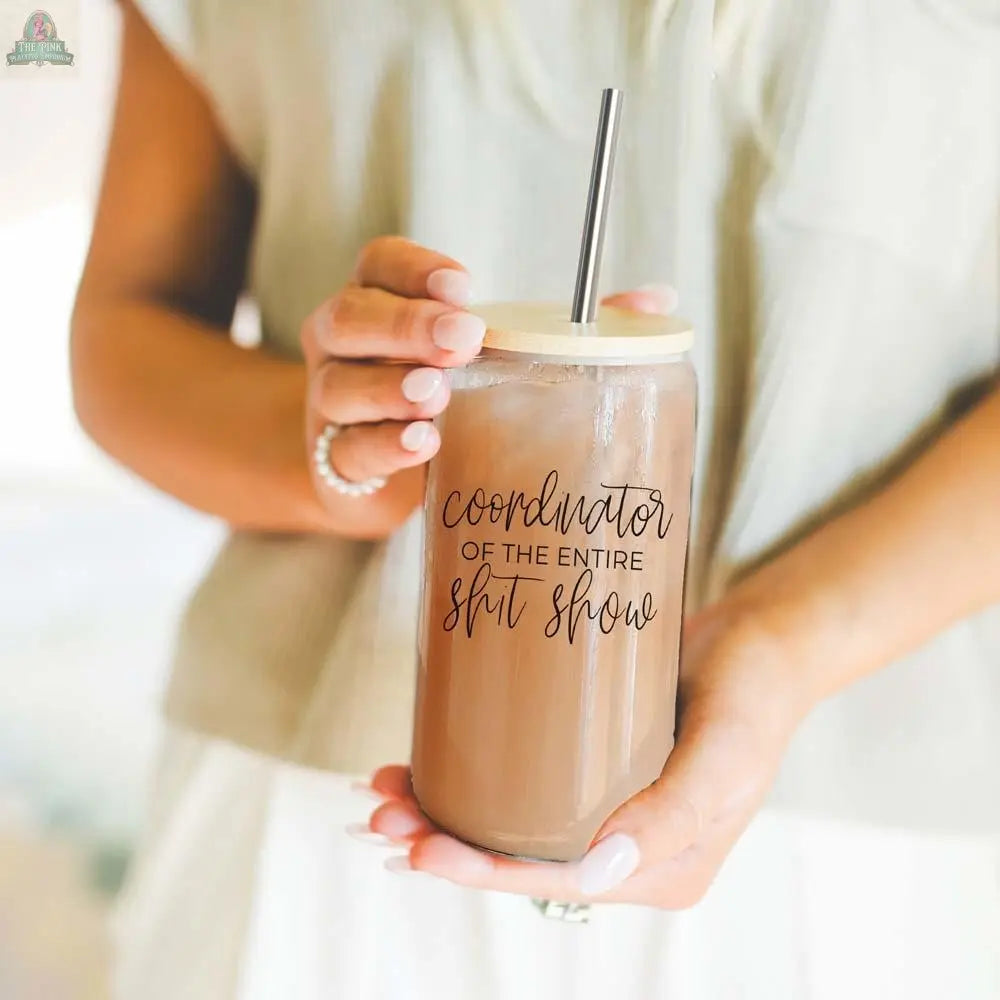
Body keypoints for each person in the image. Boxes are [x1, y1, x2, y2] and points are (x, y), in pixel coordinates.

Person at [71, 1, 1000, 997]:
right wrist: (357, 444)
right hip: (312, 806)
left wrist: (782, 640)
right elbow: (127, 331)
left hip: (840, 829)